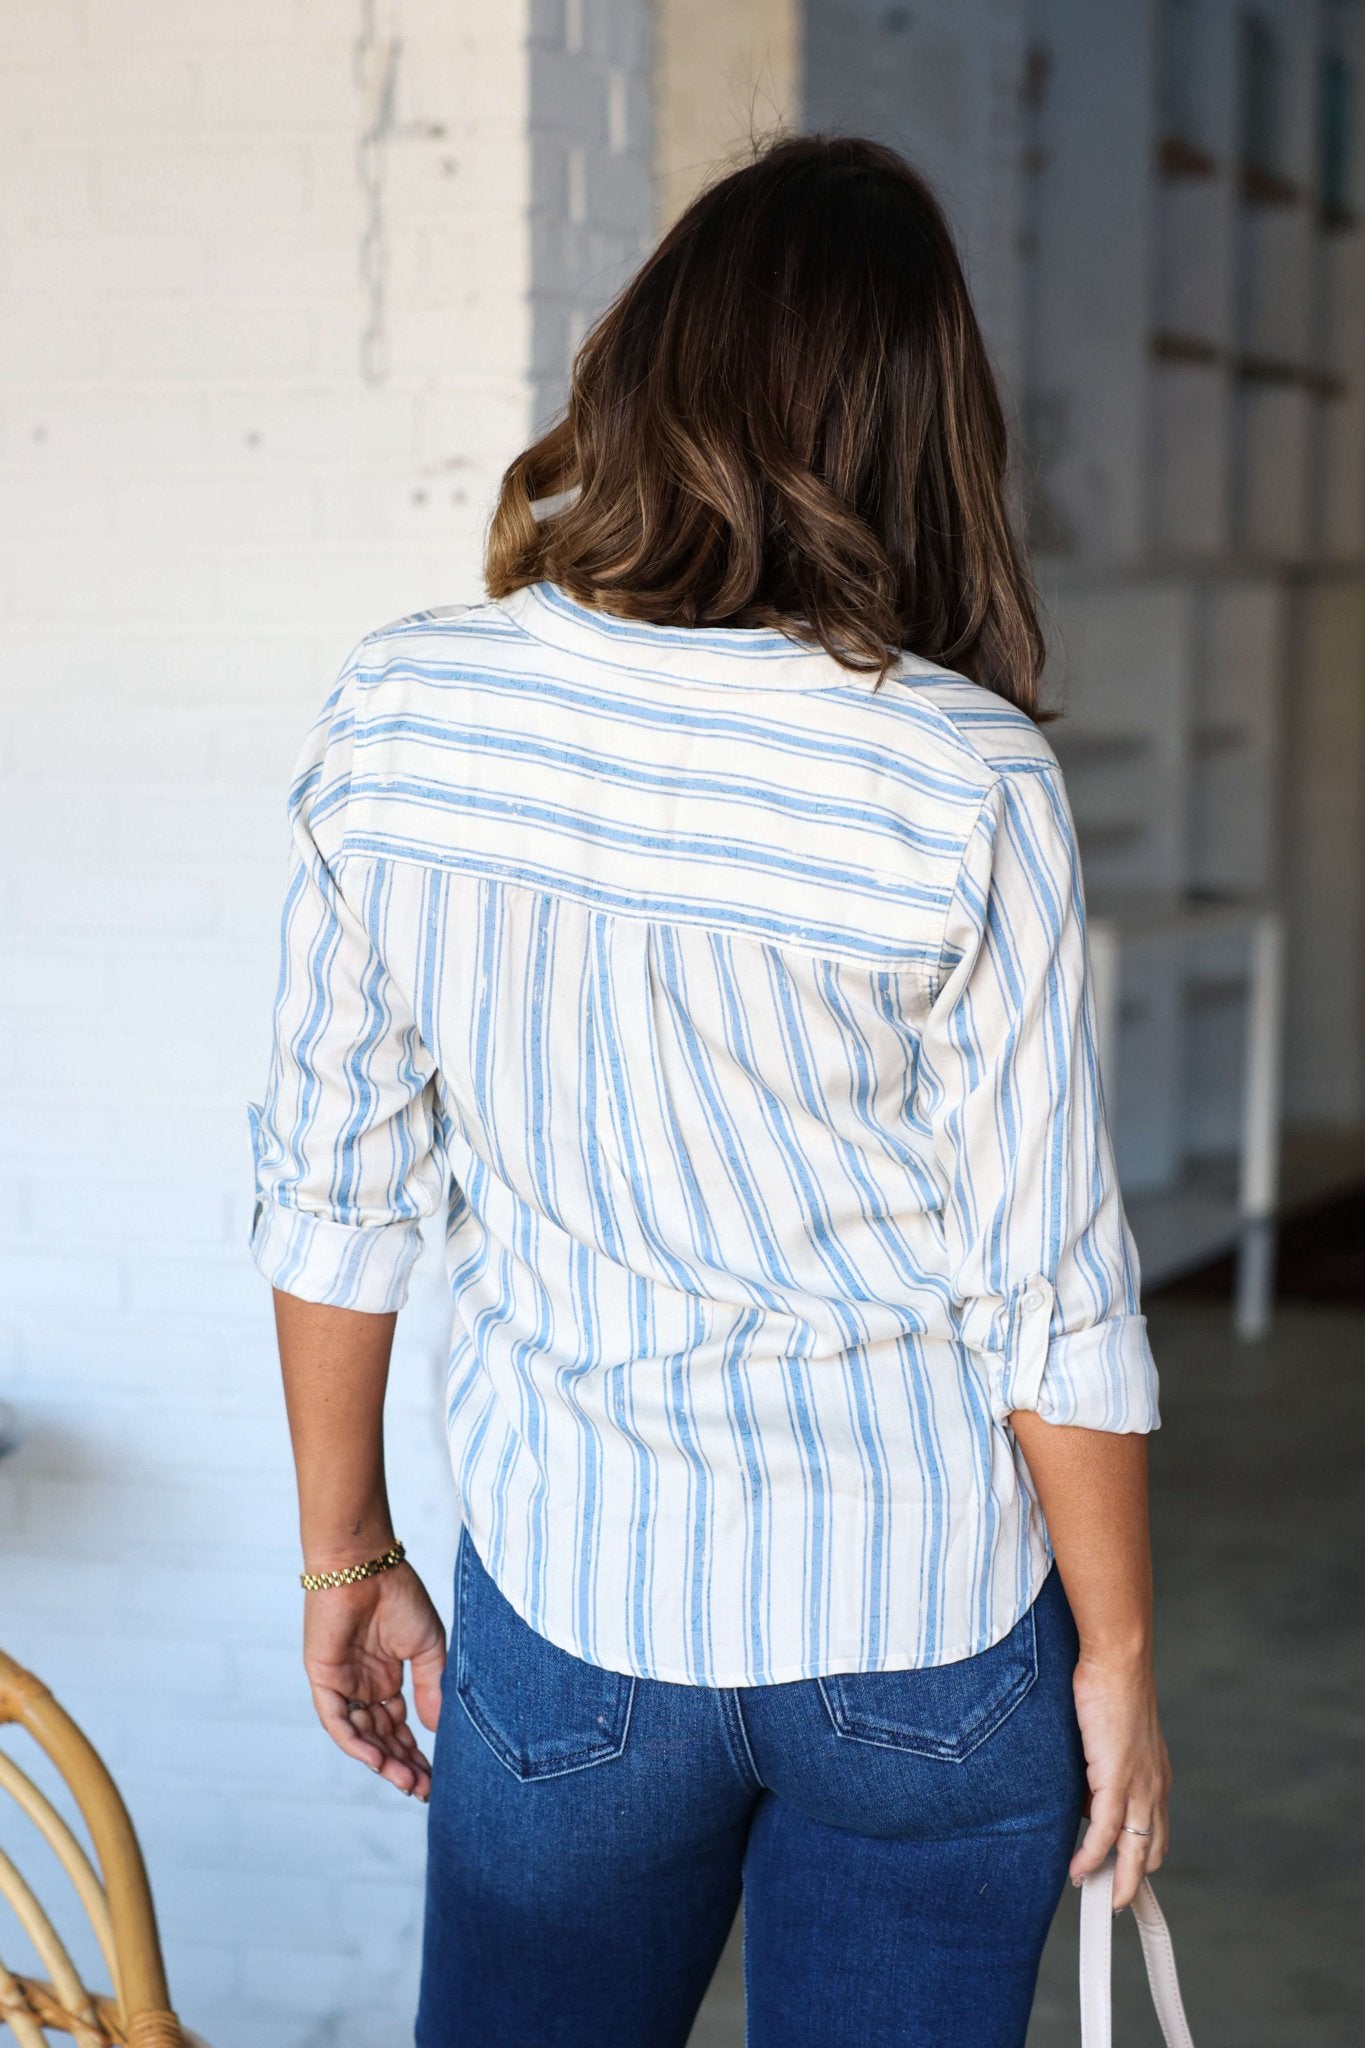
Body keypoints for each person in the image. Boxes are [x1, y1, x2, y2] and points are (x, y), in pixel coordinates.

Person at [248, 133, 1171, 2048]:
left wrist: (347, 1550)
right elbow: (1047, 1289)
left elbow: (334, 1179)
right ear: (924, 428)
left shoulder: (408, 707)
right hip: (922, 1637)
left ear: (643, 369)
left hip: (573, 1616)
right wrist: (1122, 1655)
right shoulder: (958, 773)